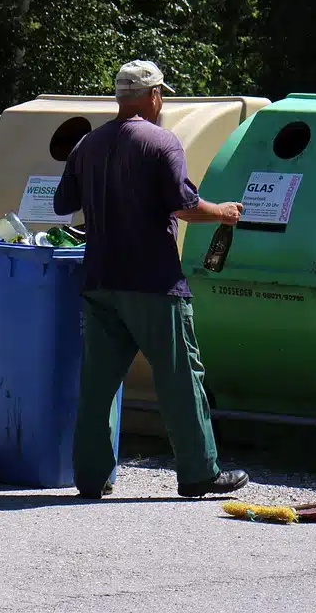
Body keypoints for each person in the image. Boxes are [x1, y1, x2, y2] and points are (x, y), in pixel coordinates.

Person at [53, 59, 249, 499]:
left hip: (100, 280)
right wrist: (223, 213)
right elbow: (183, 206)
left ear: (120, 98)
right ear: (155, 96)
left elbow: (64, 202)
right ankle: (200, 472)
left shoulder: (88, 144)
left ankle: (90, 476)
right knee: (180, 377)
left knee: (98, 384)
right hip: (154, 284)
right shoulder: (162, 142)